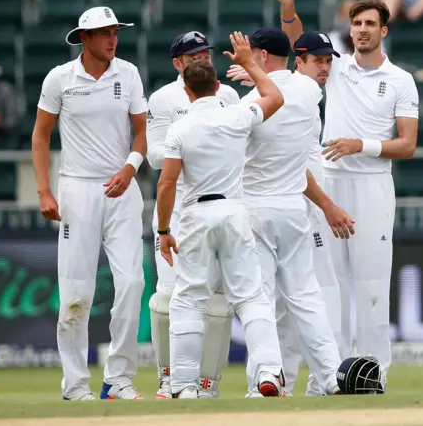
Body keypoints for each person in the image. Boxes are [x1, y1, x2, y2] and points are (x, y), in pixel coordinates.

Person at [275, 0, 420, 376]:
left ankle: (374, 374)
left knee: (372, 285)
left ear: (383, 30)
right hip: (329, 184)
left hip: (373, 185)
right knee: (328, 284)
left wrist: (362, 145)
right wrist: (288, 7)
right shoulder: (334, 67)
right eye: (356, 24)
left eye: (369, 24)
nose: (361, 30)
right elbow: (297, 43)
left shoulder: (401, 80)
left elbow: (407, 144)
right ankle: (334, 373)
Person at [156, 33, 286, 399]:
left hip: (196, 214)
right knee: (251, 297)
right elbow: (275, 97)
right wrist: (249, 63)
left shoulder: (179, 129)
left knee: (188, 300)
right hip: (233, 210)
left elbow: (167, 185)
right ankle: (269, 373)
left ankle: (183, 385)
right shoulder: (237, 115)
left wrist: (164, 229)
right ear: (217, 86)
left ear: (186, 91)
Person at [227, 30, 355, 396]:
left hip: (254, 208)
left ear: (262, 55)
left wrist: (251, 73)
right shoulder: (311, 92)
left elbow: (269, 101)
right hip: (293, 208)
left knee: (260, 299)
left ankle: (267, 377)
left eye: (252, 53)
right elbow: (286, 89)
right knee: (306, 296)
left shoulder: (250, 103)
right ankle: (331, 376)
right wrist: (254, 69)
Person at [32, 6, 147, 400]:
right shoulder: (59, 78)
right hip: (77, 190)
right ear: (84, 38)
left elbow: (142, 132)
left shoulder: (128, 73)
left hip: (122, 189)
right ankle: (75, 383)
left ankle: (118, 379)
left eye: (115, 31)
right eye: (104, 33)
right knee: (76, 292)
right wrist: (44, 190)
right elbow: (40, 135)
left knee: (133, 283)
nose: (112, 38)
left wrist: (130, 169)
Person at [146, 31, 239, 400]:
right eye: (193, 54)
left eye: (205, 53)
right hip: (177, 206)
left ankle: (207, 382)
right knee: (169, 296)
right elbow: (155, 155)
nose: (201, 59)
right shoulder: (164, 98)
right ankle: (168, 379)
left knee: (216, 300)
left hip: (218, 204)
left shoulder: (227, 94)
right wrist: (185, 144)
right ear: (177, 63)